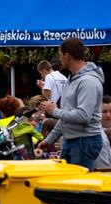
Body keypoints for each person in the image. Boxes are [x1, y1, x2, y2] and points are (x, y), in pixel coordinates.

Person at [39, 37, 104, 170]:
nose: (59, 59)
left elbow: (83, 116)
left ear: (67, 56)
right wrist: (49, 140)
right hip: (74, 141)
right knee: (68, 181)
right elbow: (66, 117)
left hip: (84, 141)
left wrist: (54, 111)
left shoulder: (88, 81)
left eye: (60, 55)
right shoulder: (72, 78)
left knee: (79, 182)